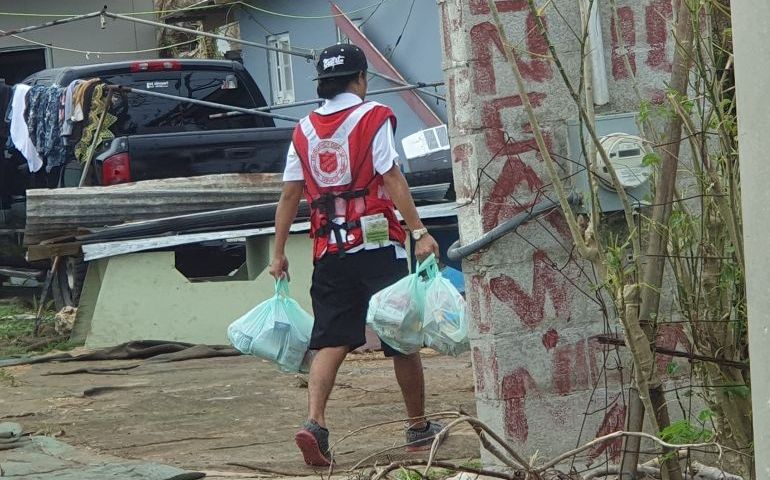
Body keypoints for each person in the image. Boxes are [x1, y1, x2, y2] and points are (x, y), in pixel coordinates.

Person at [269, 43, 445, 467]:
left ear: (323, 84)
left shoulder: (304, 129)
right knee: (399, 335)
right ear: (361, 79)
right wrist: (420, 231)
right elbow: (391, 174)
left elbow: (290, 194)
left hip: (328, 247)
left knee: (331, 338)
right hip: (376, 244)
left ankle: (315, 424)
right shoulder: (372, 117)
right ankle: (418, 427)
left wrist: (277, 253)